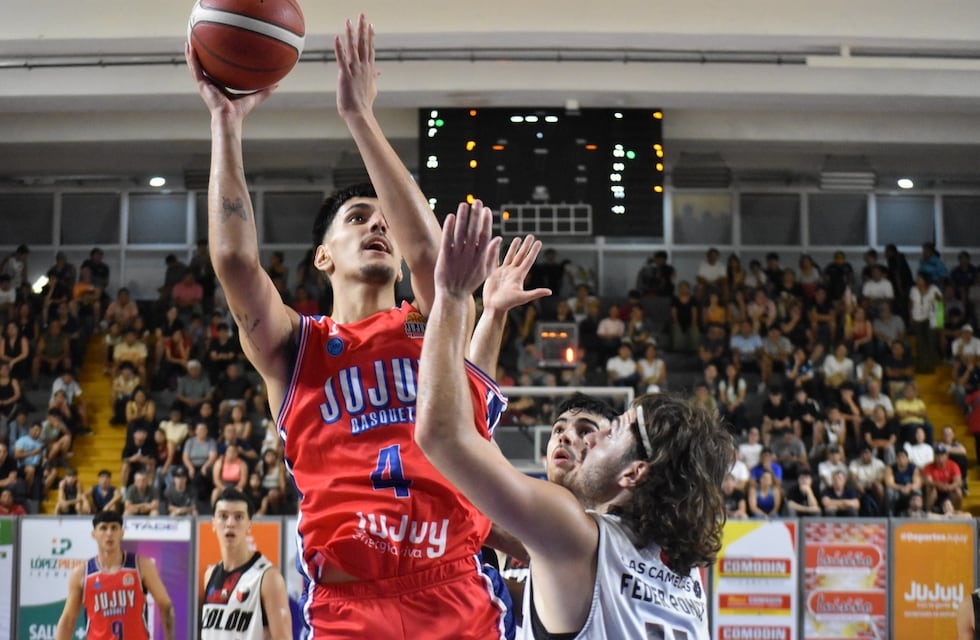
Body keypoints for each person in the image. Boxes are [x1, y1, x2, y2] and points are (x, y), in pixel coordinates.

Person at [186, 16, 538, 638]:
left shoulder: (434, 324)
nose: (376, 227)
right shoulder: (297, 348)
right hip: (349, 609)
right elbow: (236, 261)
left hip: (454, 592)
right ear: (322, 256)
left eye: (384, 222)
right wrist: (226, 123)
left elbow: (436, 262)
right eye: (355, 217)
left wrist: (360, 117)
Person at [416, 202, 732, 638]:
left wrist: (452, 298)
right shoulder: (681, 568)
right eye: (565, 429)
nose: (588, 441)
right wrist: (492, 316)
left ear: (636, 472)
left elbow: (446, 433)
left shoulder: (572, 532)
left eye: (610, 430)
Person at [55, 510, 175, 640]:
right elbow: (68, 620)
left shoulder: (141, 565)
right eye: (103, 528)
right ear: (93, 534)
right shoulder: (82, 573)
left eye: (114, 528)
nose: (109, 533)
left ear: (122, 533)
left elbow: (166, 605)